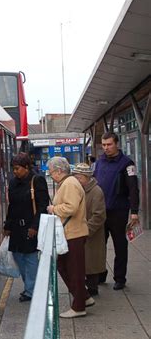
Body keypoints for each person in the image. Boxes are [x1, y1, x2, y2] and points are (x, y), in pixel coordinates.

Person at [46, 156, 92, 318]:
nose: (50, 175)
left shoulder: (70, 184)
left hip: (74, 234)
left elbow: (70, 208)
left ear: (59, 171)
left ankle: (79, 306)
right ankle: (84, 297)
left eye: (51, 171)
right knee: (65, 266)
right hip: (71, 233)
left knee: (74, 270)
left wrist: (53, 208)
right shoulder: (67, 183)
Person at [93, 132, 140, 290]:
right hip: (100, 212)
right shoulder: (99, 163)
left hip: (118, 212)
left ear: (117, 144)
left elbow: (133, 188)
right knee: (99, 246)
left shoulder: (127, 163)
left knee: (120, 246)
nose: (106, 148)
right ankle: (100, 274)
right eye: (104, 145)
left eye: (109, 144)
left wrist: (134, 211)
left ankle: (120, 278)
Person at [3, 152, 49, 302]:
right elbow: (12, 205)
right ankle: (30, 286)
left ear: (27, 167)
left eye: (17, 168)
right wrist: (7, 225)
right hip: (16, 227)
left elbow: (42, 206)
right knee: (18, 256)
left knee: (30, 258)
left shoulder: (37, 180)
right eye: (13, 169)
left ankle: (31, 290)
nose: (15, 172)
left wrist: (35, 226)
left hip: (30, 226)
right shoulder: (13, 182)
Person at [72, 163, 106, 296]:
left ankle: (93, 288)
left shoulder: (96, 191)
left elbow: (99, 216)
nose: (77, 180)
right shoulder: (79, 189)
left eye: (79, 178)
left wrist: (86, 231)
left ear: (87, 177)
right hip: (81, 232)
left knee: (92, 262)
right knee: (84, 262)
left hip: (90, 234)